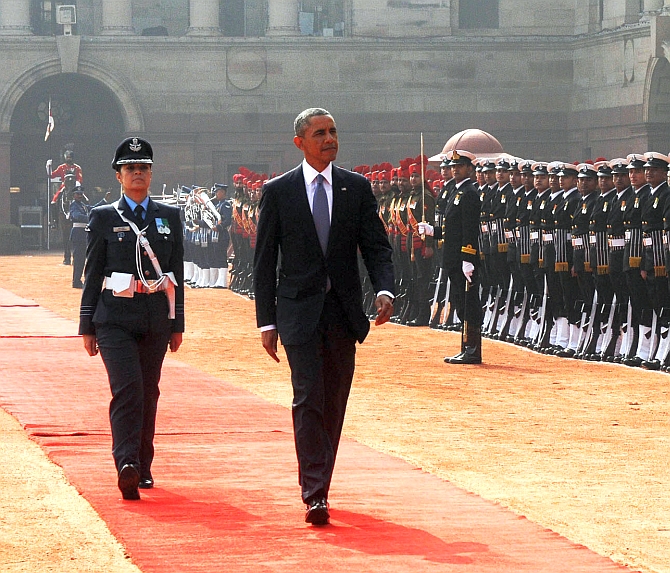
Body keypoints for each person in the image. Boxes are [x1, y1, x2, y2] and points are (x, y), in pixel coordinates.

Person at [253, 108, 395, 526]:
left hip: (342, 315)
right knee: (308, 397)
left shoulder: (357, 188)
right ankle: (314, 492)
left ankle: (321, 483)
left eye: (333, 131)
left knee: (333, 402)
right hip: (297, 314)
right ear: (300, 142)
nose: (330, 138)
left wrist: (384, 289)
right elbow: (264, 263)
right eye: (320, 133)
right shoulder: (279, 192)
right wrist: (267, 322)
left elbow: (377, 247)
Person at [78, 137, 185, 501]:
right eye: (130, 169)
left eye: (143, 168)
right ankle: (126, 464)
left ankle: (143, 462)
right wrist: (86, 323)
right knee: (127, 390)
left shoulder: (169, 216)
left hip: (155, 316)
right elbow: (93, 273)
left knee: (149, 391)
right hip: (114, 319)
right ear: (119, 176)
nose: (137, 174)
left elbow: (175, 273)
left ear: (151, 174)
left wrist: (177, 322)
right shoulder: (104, 216)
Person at [418, 150, 482, 364]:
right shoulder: (456, 192)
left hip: (463, 258)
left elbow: (469, 229)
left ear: (469, 169)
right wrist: (431, 230)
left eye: (460, 166)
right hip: (453, 257)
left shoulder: (470, 193)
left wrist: (468, 257)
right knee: (459, 301)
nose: (455, 169)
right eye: (453, 166)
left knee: (468, 302)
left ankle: (473, 349)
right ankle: (466, 347)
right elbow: (450, 229)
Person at [69, 187, 90, 288]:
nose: (80, 195)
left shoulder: (82, 205)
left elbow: (93, 208)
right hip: (78, 233)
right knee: (78, 259)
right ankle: (76, 281)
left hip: (83, 234)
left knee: (82, 259)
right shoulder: (74, 205)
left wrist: (104, 201)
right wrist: (90, 218)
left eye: (81, 193)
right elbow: (76, 215)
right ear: (73, 195)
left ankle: (78, 280)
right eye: (77, 194)